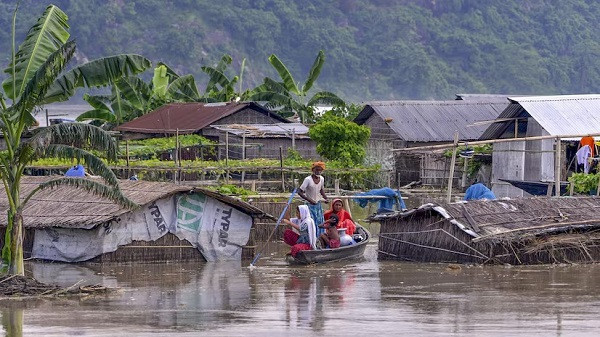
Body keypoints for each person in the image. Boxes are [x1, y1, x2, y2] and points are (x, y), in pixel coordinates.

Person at [298, 162, 329, 235]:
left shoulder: (321, 179)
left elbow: (321, 190)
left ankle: (319, 237)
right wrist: (309, 200)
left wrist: (326, 198)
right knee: (311, 222)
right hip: (309, 205)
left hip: (317, 205)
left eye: (320, 170)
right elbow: (300, 192)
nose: (318, 171)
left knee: (319, 221)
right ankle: (311, 238)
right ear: (313, 170)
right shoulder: (308, 179)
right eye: (316, 170)